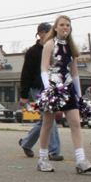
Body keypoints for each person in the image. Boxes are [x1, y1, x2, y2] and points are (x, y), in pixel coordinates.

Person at [34, 16, 91, 174]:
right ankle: (43, 159)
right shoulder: (50, 44)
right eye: (62, 25)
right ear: (55, 27)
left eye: (68, 25)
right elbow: (44, 68)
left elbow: (74, 72)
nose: (65, 27)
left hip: (68, 89)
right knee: (47, 125)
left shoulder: (72, 47)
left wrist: (79, 95)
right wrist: (48, 88)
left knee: (75, 123)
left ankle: (81, 160)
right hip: (53, 87)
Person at [18, 22, 62, 160]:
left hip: (52, 88)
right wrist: (24, 96)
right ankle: (54, 151)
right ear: (41, 33)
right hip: (37, 89)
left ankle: (26, 143)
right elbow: (25, 75)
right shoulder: (33, 52)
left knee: (45, 120)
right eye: (49, 32)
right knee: (50, 119)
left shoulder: (55, 49)